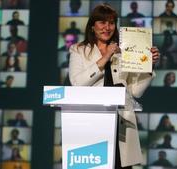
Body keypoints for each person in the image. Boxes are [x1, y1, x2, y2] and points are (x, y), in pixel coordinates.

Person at [68, 4, 159, 168]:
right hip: (92, 124)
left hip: (121, 123)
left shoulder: (125, 52)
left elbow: (135, 92)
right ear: (92, 25)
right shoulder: (78, 50)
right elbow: (77, 83)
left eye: (111, 23)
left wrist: (149, 65)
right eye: (102, 23)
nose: (107, 27)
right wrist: (105, 57)